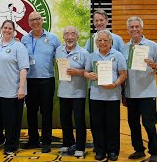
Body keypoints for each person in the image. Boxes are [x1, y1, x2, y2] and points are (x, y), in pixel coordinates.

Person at [21, 11, 61, 153]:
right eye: (32, 20)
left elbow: (61, 56)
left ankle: (46, 141)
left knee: (46, 112)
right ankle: (33, 140)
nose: (35, 22)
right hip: (30, 81)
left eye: (37, 19)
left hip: (47, 80)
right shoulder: (25, 39)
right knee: (31, 112)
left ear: (42, 20)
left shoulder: (53, 38)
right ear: (29, 23)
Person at [84, 30, 127, 161]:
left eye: (105, 40)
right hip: (96, 95)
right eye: (100, 40)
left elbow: (123, 74)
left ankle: (113, 151)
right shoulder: (91, 56)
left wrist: (115, 84)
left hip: (113, 96)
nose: (102, 43)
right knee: (97, 124)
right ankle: (99, 150)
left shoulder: (118, 55)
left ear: (110, 42)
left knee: (112, 124)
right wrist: (89, 75)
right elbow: (86, 72)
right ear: (96, 42)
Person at [0, 20, 29, 155]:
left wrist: (21, 88)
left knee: (12, 122)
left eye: (10, 28)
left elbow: (24, 68)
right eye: (5, 28)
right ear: (1, 29)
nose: (7, 30)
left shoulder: (19, 47)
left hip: (12, 91)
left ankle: (12, 145)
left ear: (14, 31)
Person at [122, 16, 157, 162]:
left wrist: (154, 65)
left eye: (137, 26)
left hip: (147, 92)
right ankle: (139, 150)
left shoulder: (153, 45)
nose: (134, 29)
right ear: (128, 29)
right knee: (133, 123)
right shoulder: (124, 48)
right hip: (130, 92)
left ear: (142, 28)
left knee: (149, 123)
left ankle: (155, 152)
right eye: (132, 27)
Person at [55, 26, 89, 157]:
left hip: (78, 92)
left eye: (73, 34)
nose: (70, 37)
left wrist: (77, 72)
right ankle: (67, 143)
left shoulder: (84, 53)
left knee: (79, 120)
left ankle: (80, 146)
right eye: (67, 34)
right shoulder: (58, 50)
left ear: (77, 37)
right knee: (65, 120)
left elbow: (89, 72)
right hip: (63, 92)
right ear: (63, 37)